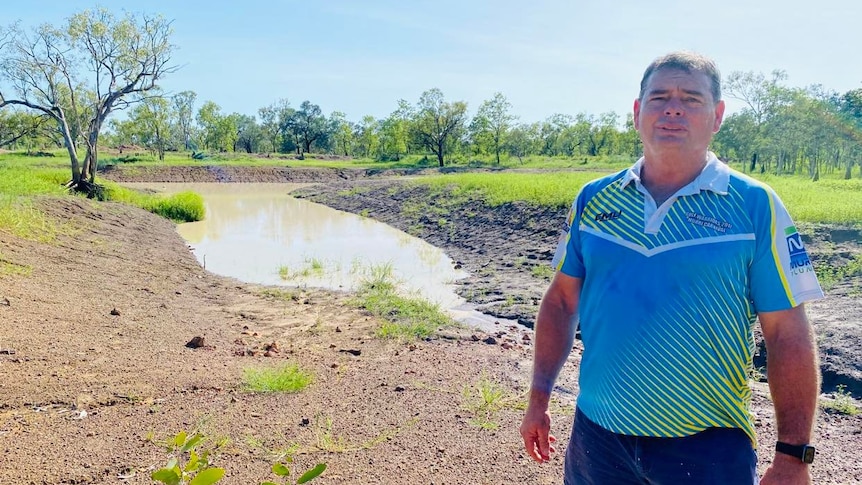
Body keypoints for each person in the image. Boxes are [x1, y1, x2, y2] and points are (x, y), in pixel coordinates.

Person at [520, 51, 823, 485]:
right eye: (659, 96)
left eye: (691, 98)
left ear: (717, 116)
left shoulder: (755, 205)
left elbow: (787, 332)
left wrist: (793, 456)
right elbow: (563, 301)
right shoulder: (594, 198)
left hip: (708, 447)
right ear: (638, 112)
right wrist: (539, 396)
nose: (673, 107)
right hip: (597, 439)